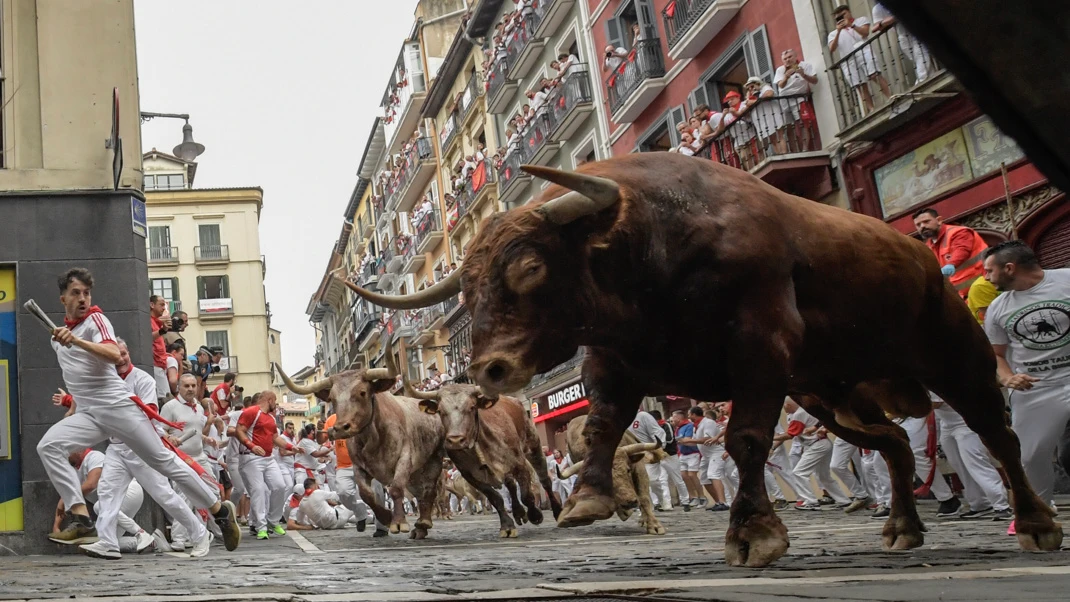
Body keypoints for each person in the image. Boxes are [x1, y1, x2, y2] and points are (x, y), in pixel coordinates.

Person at [35, 268, 239, 553]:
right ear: (63, 299)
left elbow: (113, 353)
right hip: (93, 416)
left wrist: (77, 341)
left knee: (165, 464)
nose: (83, 298)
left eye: (86, 293)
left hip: (120, 410)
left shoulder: (96, 319)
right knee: (49, 446)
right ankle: (81, 517)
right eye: (75, 293)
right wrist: (72, 406)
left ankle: (218, 510)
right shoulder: (58, 339)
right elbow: (81, 382)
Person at [65, 338, 206, 558]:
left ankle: (200, 534)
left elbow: (147, 413)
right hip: (117, 447)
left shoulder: (143, 379)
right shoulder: (105, 380)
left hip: (142, 447)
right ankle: (108, 542)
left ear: (128, 352)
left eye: (123, 353)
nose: (120, 358)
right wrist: (70, 402)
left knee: (165, 496)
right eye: (116, 354)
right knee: (107, 494)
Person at [982, 240, 1070, 534]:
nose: (985, 277)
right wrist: (1008, 378)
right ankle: (1036, 509)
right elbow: (996, 354)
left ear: (1009, 268)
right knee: (1030, 455)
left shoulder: (1067, 280)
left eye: (989, 270)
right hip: (1037, 388)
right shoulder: (997, 308)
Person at [931, 393, 1011, 520]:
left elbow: (935, 403)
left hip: (967, 422)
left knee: (976, 464)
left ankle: (1002, 505)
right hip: (947, 423)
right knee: (959, 466)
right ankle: (980, 504)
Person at [235, 391, 297, 540]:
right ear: (269, 400)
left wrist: (291, 447)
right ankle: (260, 527)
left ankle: (272, 521)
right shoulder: (251, 412)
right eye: (274, 401)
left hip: (268, 458)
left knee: (280, 486)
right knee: (258, 491)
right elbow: (239, 430)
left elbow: (275, 438)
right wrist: (251, 445)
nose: (275, 404)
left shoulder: (270, 417)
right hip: (251, 458)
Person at [913, 208, 989, 300]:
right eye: (918, 225)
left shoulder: (958, 232)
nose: (922, 226)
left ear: (939, 220)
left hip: (984, 287)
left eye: (926, 221)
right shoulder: (928, 246)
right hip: (963, 297)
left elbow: (962, 250)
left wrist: (951, 264)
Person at [827, 4, 891, 112]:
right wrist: (838, 31)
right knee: (860, 85)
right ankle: (871, 109)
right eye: (838, 18)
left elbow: (865, 32)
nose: (841, 18)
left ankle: (890, 96)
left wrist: (852, 25)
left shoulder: (861, 20)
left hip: (864, 51)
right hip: (848, 60)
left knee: (874, 74)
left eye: (843, 15)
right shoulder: (833, 34)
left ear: (849, 12)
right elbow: (832, 49)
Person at [324, 414, 372, 532]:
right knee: (343, 493)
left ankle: (382, 527)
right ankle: (360, 513)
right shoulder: (332, 419)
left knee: (375, 493)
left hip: (364, 463)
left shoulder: (362, 414)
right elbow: (322, 438)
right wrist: (322, 432)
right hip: (343, 465)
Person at [871, 3, 932, 83]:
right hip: (903, 36)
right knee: (918, 59)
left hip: (917, 30)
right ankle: (931, 77)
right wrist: (889, 20)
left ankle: (920, 83)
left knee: (921, 54)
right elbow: (875, 28)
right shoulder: (877, 8)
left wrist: (888, 20)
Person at [627, 411, 672, 511]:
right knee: (636, 481)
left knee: (652, 480)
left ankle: (663, 500)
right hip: (631, 454)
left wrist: (658, 449)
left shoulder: (643, 416)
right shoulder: (621, 418)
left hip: (648, 451)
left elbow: (657, 431)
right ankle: (645, 507)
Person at [670, 409, 702, 509]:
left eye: (674, 417)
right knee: (684, 476)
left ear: (678, 418)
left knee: (692, 475)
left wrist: (681, 440)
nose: (672, 419)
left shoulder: (688, 426)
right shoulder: (678, 428)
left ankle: (702, 496)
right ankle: (693, 496)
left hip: (692, 453)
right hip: (683, 453)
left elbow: (687, 439)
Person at [149, 295, 171, 401]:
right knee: (165, 399)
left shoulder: (156, 322)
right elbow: (148, 338)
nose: (164, 308)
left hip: (160, 365)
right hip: (156, 366)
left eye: (165, 305)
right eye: (161, 305)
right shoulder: (148, 321)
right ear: (152, 305)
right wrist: (163, 330)